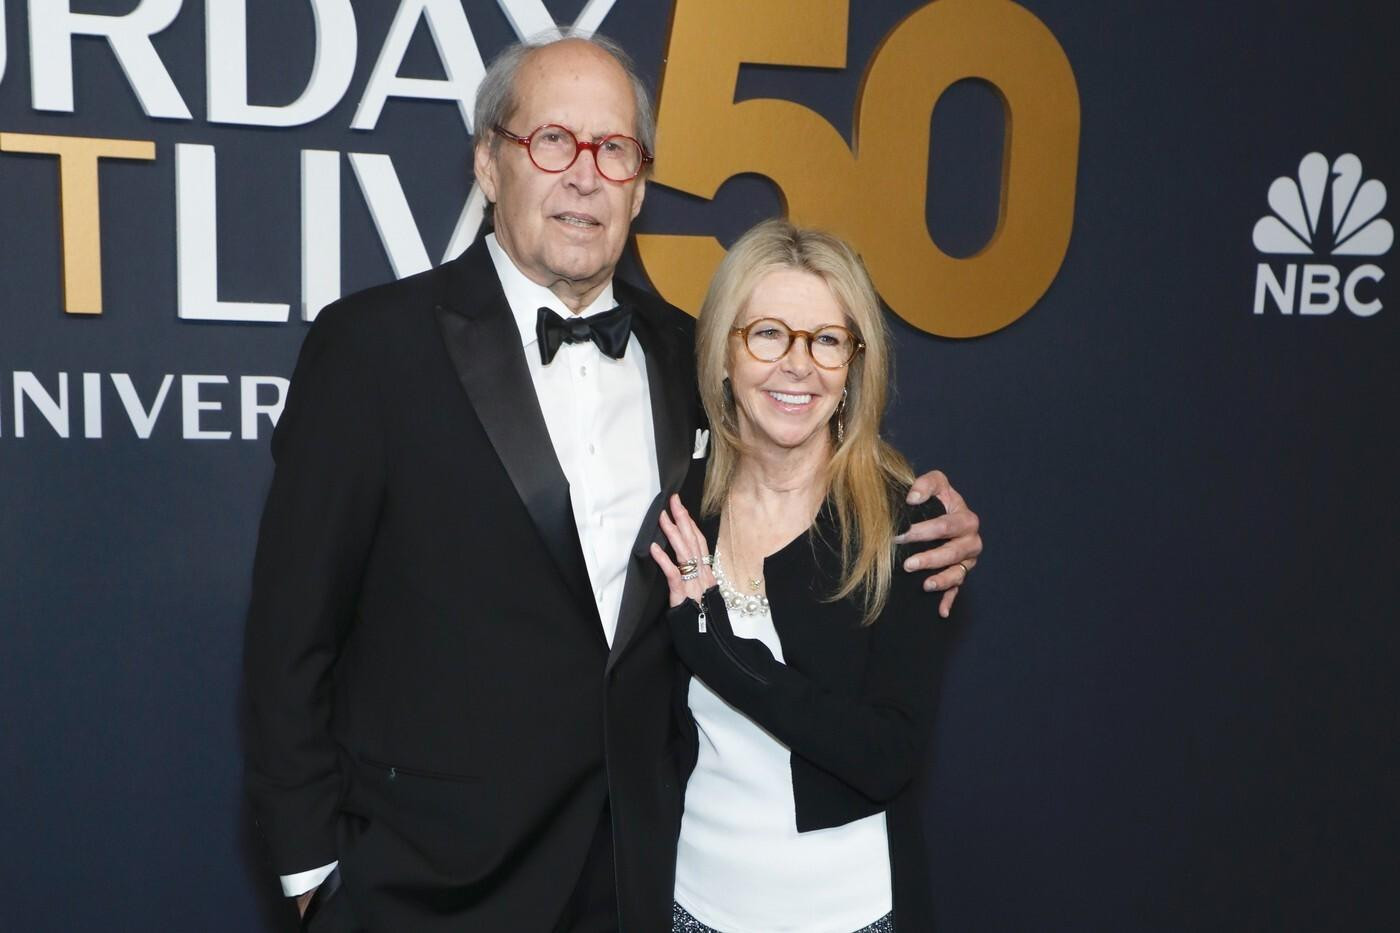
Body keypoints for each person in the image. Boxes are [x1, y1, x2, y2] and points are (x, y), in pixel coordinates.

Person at [243, 33, 981, 933]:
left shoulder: (690, 356)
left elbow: (812, 468)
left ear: (640, 185)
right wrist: (312, 871)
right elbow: (291, 633)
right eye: (553, 140)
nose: (585, 176)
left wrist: (929, 521)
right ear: (489, 164)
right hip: (427, 882)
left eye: (615, 149)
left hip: (639, 872)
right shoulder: (370, 348)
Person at [651, 220, 955, 932]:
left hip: (854, 916)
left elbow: (886, 756)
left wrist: (721, 651)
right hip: (691, 907)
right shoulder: (674, 504)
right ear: (724, 354)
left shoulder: (906, 523)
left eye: (825, 340)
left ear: (853, 365)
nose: (798, 365)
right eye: (767, 334)